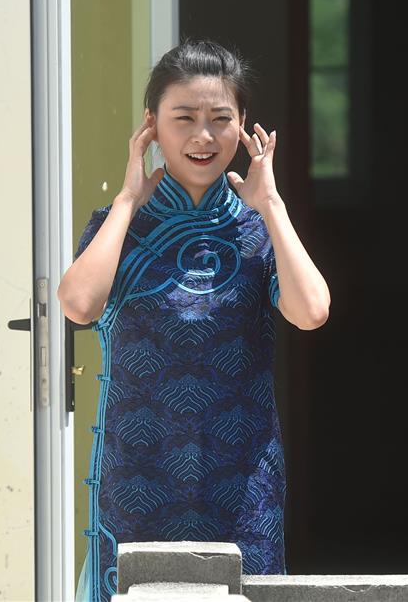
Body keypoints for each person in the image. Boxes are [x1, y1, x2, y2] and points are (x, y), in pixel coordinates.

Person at [58, 40, 330, 601]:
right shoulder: (118, 226)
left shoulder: (259, 230)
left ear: (244, 127)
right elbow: (77, 305)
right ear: (152, 125)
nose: (203, 137)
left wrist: (272, 206)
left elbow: (311, 311)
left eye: (220, 119)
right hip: (139, 475)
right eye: (184, 119)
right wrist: (129, 200)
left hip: (241, 483)